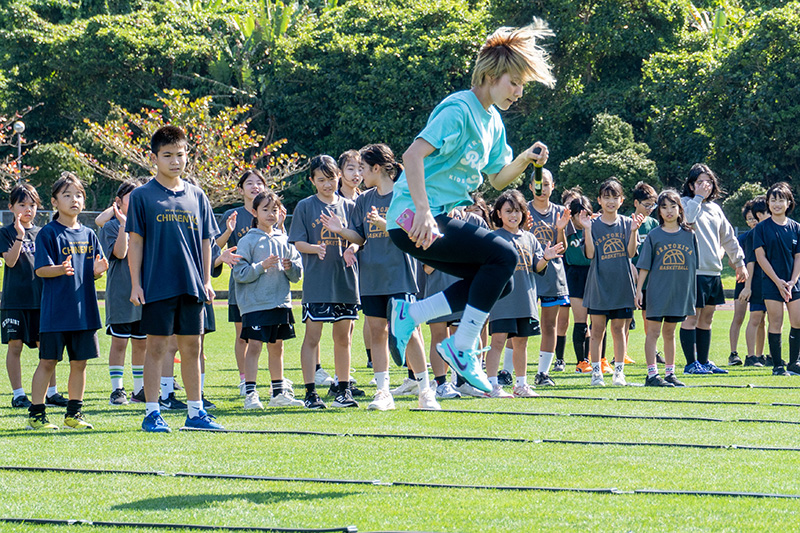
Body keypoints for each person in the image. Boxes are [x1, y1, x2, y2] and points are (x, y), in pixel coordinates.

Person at [384, 23, 555, 392]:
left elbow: (498, 179)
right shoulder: (459, 109)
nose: (519, 92)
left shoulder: (494, 122)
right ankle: (461, 346)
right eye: (514, 83)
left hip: (435, 218)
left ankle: (410, 314)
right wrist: (423, 210)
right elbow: (412, 156)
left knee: (501, 281)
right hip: (412, 218)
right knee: (505, 254)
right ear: (491, 76)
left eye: (522, 86)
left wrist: (525, 159)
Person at [323, 144, 440, 411]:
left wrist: (384, 224)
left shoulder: (405, 194)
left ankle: (425, 390)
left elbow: (415, 233)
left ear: (377, 168)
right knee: (378, 332)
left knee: (409, 332)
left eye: (363, 168)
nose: (360, 174)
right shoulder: (363, 200)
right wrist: (340, 230)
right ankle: (383, 392)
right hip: (371, 279)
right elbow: (360, 237)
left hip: (400, 276)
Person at [127, 125, 222, 432]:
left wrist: (206, 280)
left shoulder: (198, 196)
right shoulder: (142, 196)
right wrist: (136, 284)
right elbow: (135, 242)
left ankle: (196, 413)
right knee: (156, 347)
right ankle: (152, 413)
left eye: (180, 155)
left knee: (193, 347)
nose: (175, 161)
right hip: (157, 285)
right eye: (167, 155)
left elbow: (207, 241)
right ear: (154, 157)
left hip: (191, 285)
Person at [26, 173, 108, 430]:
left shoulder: (89, 234)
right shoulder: (48, 233)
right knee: (48, 362)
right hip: (56, 312)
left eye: (79, 195)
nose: (75, 200)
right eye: (67, 195)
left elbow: (92, 271)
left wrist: (98, 271)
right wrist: (60, 269)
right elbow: (41, 270)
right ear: (54, 201)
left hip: (84, 312)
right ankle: (36, 415)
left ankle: (74, 414)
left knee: (80, 363)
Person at [288, 155, 360, 409]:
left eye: (331, 179)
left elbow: (359, 238)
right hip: (317, 283)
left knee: (344, 338)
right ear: (312, 181)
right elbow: (298, 242)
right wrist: (314, 248)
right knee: (313, 337)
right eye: (321, 180)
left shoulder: (350, 206)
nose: (327, 184)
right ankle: (310, 393)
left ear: (338, 177)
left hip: (345, 281)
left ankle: (343, 390)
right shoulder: (305, 206)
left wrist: (351, 247)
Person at [485, 190, 563, 398]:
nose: (513, 215)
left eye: (517, 211)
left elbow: (536, 267)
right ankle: (491, 385)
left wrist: (546, 258)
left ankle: (521, 384)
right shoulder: (493, 238)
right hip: (502, 301)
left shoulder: (530, 238)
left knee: (521, 342)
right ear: (499, 214)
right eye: (508, 211)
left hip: (525, 300)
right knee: (498, 342)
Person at [234, 190, 304, 409]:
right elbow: (240, 273)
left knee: (277, 347)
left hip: (280, 302)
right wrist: (261, 266)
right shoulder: (248, 240)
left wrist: (290, 267)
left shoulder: (285, 240)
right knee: (254, 346)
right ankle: (251, 394)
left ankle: (278, 393)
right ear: (254, 212)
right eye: (265, 209)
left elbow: (297, 275)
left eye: (274, 209)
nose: (271, 214)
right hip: (255, 305)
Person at [1, 183, 65, 409]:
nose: (28, 209)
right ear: (11, 207)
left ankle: (52, 392)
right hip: (15, 300)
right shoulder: (5, 233)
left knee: (46, 348)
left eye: (32, 205)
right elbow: (10, 261)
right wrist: (20, 235)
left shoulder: (44, 233)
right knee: (15, 346)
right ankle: (18, 394)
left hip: (42, 300)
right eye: (22, 205)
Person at [680, 164, 747, 375]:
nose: (705, 186)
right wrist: (698, 198)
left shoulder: (715, 209)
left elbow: (729, 238)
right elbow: (688, 220)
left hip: (713, 272)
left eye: (708, 182)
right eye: (699, 182)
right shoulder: (684, 203)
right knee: (691, 318)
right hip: (692, 272)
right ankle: (691, 364)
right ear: (691, 185)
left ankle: (704, 361)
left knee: (707, 318)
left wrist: (739, 262)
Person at [577, 178, 642, 387]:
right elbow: (590, 254)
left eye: (615, 197)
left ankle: (619, 373)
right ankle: (596, 373)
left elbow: (631, 253)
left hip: (622, 285)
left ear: (622, 200)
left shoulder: (627, 223)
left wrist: (634, 231)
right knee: (597, 330)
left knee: (619, 330)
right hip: (599, 285)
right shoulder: (593, 224)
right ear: (599, 200)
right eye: (606, 197)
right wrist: (587, 229)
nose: (611, 201)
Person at [635, 189, 698, 387]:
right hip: (657, 292)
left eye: (673, 206)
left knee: (670, 333)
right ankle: (652, 375)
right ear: (659, 211)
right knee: (653, 332)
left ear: (680, 209)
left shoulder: (689, 235)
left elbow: (693, 268)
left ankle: (670, 373)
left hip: (678, 293)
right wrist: (638, 290)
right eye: (664, 207)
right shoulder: (654, 235)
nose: (669, 211)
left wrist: (690, 294)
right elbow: (644, 266)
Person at [216, 170, 267, 396]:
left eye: (259, 183)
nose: (255, 187)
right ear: (241, 189)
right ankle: (244, 380)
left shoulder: (270, 210)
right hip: (241, 283)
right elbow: (216, 246)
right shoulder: (232, 214)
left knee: (270, 336)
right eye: (249, 183)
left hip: (267, 283)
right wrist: (228, 231)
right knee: (242, 334)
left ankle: (274, 380)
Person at [99, 179, 146, 406]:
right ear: (118, 202)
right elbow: (119, 253)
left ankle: (139, 389)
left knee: (141, 344)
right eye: (131, 198)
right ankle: (117, 390)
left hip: (144, 294)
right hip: (120, 294)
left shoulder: (146, 225)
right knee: (119, 343)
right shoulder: (110, 227)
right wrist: (123, 225)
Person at [527, 168, 571, 384]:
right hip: (527, 275)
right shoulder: (522, 209)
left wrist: (560, 229)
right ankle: (507, 371)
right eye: (538, 184)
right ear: (530, 187)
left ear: (553, 186)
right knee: (519, 326)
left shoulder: (560, 211)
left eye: (546, 184)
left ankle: (543, 373)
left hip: (553, 275)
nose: (542, 189)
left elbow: (562, 248)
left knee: (549, 325)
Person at [754, 182, 800, 376]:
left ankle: (794, 363)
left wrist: (792, 281)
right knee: (776, 322)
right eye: (773, 200)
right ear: (768, 203)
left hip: (793, 283)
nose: (777, 204)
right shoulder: (761, 228)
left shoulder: (796, 227)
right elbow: (760, 257)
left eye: (781, 200)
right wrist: (777, 281)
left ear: (789, 203)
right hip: (771, 283)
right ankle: (777, 366)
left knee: (797, 321)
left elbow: (798, 257)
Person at [628, 181, 659, 365]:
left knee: (650, 318)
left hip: (650, 280)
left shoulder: (654, 224)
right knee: (625, 319)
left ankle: (653, 351)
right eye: (646, 205)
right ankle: (621, 354)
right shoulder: (627, 222)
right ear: (636, 203)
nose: (650, 209)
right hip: (629, 278)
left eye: (652, 205)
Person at [564, 194, 593, 373]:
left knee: (597, 322)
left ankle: (598, 359)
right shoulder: (567, 229)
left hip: (593, 273)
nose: (582, 218)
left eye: (586, 214)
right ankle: (581, 362)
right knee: (580, 322)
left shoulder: (593, 228)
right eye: (579, 215)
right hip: (575, 274)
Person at [728, 199, 758, 366]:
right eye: (749, 219)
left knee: (759, 318)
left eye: (755, 217)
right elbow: (731, 261)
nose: (753, 221)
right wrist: (743, 270)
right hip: (743, 281)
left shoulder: (765, 236)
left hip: (760, 282)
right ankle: (733, 353)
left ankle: (757, 355)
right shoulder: (743, 238)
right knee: (738, 316)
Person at [743, 196, 769, 367]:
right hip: (758, 283)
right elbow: (750, 262)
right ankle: (750, 356)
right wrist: (748, 286)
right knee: (755, 318)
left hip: (772, 283)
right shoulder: (754, 234)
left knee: (767, 320)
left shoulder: (773, 230)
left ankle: (762, 355)